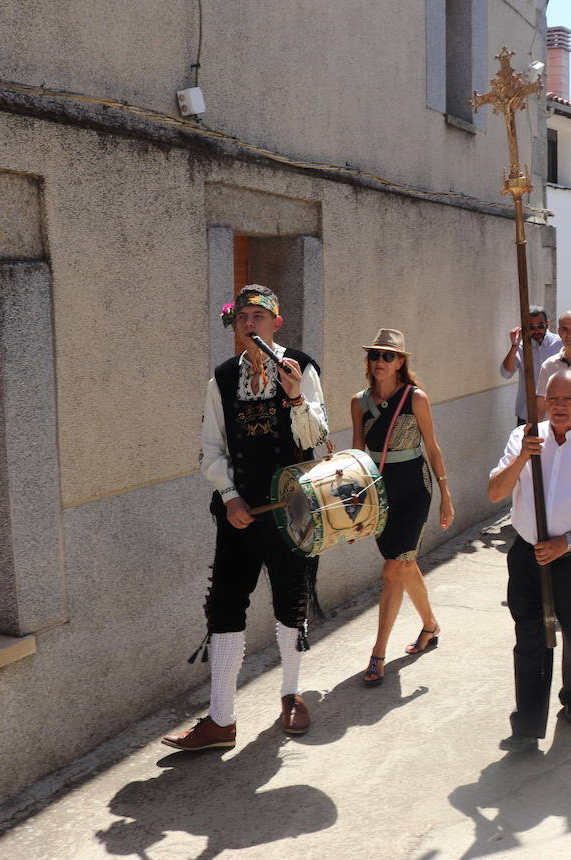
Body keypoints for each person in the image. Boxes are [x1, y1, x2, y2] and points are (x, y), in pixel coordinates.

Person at [165, 284, 328, 750]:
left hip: (292, 508)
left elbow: (316, 433)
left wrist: (296, 396)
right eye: (242, 318)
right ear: (234, 327)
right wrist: (231, 496)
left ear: (276, 323)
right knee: (225, 604)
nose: (250, 323)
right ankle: (221, 718)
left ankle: (292, 694)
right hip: (239, 510)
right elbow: (211, 448)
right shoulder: (221, 379)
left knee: (291, 600)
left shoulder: (301, 366)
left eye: (259, 316)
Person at [488, 370, 571, 752]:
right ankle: (527, 724)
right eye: (553, 398)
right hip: (528, 554)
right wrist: (521, 459)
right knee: (529, 635)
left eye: (568, 398)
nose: (559, 405)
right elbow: (495, 491)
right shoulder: (523, 438)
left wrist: (567, 542)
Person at [350, 329, 454, 684]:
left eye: (387, 356)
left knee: (394, 568)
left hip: (414, 489)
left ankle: (378, 654)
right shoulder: (359, 402)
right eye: (374, 356)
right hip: (380, 493)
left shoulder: (416, 398)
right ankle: (430, 625)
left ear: (401, 362)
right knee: (404, 565)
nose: (379, 362)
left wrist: (446, 494)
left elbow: (433, 448)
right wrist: (354, 506)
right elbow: (356, 456)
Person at [499, 305, 563, 426]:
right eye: (531, 327)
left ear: (547, 324)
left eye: (540, 326)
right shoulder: (521, 346)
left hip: (554, 414)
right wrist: (514, 346)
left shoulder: (559, 344)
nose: (536, 331)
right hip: (526, 413)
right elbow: (505, 373)